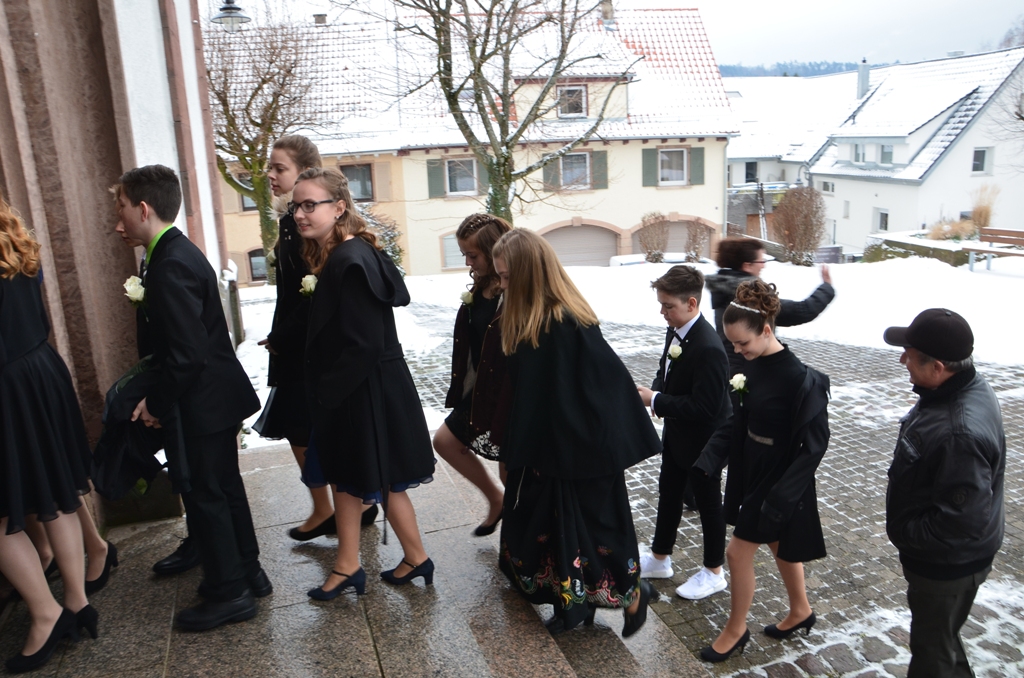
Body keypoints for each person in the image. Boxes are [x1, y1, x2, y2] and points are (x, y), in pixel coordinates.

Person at [115, 165, 268, 631]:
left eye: (121, 209)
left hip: (201, 401)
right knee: (223, 488)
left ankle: (230, 592)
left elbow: (186, 354)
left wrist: (156, 403)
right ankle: (248, 571)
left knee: (206, 494)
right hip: (213, 397)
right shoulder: (173, 252)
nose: (118, 223)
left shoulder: (170, 264)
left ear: (144, 209)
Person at [492, 228, 661, 637]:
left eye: (507, 276)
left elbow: (601, 385)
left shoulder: (564, 322)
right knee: (552, 528)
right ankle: (574, 604)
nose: (502, 285)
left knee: (591, 530)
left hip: (580, 452)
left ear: (529, 274)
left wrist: (555, 445)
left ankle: (630, 596)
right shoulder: (532, 318)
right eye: (499, 276)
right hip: (551, 449)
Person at [295, 168, 435, 600]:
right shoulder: (349, 252)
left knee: (365, 476)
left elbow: (364, 343)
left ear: (339, 207)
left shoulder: (349, 259)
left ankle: (359, 564)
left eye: (310, 205)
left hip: (362, 389)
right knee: (359, 477)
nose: (299, 214)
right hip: (367, 386)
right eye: (296, 206)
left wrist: (326, 392)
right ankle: (386, 560)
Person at [250, 136, 378, 540]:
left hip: (306, 342)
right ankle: (339, 505)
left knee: (305, 427)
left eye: (279, 168)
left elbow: (317, 292)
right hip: (294, 341)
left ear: (303, 172)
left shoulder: (308, 227)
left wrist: (283, 335)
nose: (271, 175)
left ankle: (338, 507)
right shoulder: (290, 222)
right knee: (301, 427)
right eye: (270, 168)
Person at [701, 280, 830, 663]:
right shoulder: (750, 367)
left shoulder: (800, 379)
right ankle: (801, 610)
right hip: (753, 469)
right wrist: (710, 459)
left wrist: (782, 497)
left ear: (767, 331)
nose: (737, 351)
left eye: (743, 343)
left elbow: (815, 447)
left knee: (737, 553)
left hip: (779, 481)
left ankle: (736, 629)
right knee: (778, 544)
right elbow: (737, 420)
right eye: (733, 344)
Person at [0, 192, 97, 672]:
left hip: (6, 385)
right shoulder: (16, 242)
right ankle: (77, 601)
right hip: (40, 371)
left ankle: (45, 613)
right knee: (56, 491)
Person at [883, 309, 1005, 678]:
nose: (902, 361)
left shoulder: (959, 432)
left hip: (945, 567)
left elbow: (960, 522)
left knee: (932, 655)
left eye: (909, 355)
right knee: (942, 641)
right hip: (949, 560)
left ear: (937, 367)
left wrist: (905, 533)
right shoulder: (959, 387)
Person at [636, 266, 732, 600]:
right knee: (669, 493)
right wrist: (657, 391)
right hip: (678, 434)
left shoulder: (709, 347)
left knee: (709, 504)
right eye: (661, 305)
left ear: (691, 303)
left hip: (705, 442)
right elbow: (665, 369)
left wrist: (656, 400)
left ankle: (714, 571)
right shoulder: (676, 329)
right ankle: (660, 558)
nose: (663, 312)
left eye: (668, 306)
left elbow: (706, 407)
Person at [434, 213, 511, 536]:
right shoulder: (481, 285)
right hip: (481, 389)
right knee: (445, 441)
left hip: (507, 394)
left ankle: (521, 534)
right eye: (464, 254)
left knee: (510, 470)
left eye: (473, 255)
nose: (467, 262)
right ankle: (496, 498)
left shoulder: (514, 289)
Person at [705, 236, 835, 373]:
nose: (763, 265)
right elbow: (802, 311)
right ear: (747, 265)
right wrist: (826, 288)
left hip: (731, 368)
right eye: (761, 261)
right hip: (748, 372)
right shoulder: (750, 297)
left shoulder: (724, 289)